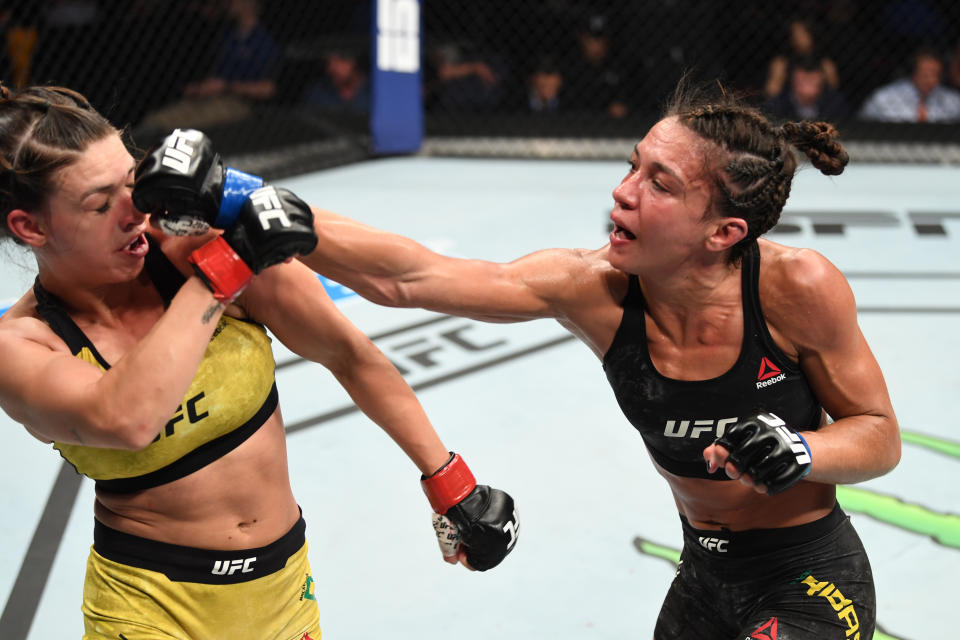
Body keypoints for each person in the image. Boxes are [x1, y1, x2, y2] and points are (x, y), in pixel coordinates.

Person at [274, 86, 898, 638]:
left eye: (660, 183)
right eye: (634, 167)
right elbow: (410, 278)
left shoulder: (797, 288)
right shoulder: (591, 288)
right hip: (702, 577)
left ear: (723, 233)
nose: (622, 191)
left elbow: (878, 434)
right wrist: (251, 202)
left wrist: (802, 450)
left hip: (812, 580)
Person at [0, 84, 518, 638]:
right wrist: (229, 264)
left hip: (284, 588)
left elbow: (348, 352)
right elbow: (128, 418)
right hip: (149, 606)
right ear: (30, 227)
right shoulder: (24, 346)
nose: (134, 213)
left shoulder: (191, 247)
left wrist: (448, 482)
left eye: (133, 182)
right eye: (100, 204)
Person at [138, 0, 281, 133]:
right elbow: (217, 76)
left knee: (170, 125)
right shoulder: (228, 36)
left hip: (239, 103)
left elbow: (268, 89)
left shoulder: (263, 41)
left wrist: (227, 86)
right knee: (154, 119)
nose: (228, 3)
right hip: (213, 98)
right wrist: (203, 87)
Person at [859, 46, 960, 123]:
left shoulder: (953, 101)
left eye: (936, 75)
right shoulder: (884, 98)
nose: (932, 81)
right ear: (914, 74)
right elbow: (863, 124)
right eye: (926, 75)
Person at [764, 18, 840, 101]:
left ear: (811, 35)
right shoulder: (781, 62)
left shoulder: (825, 64)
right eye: (794, 34)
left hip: (818, 107)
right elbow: (771, 92)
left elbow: (834, 93)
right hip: (789, 107)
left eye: (802, 34)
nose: (797, 38)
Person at [764, 55, 849, 122]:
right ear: (792, 79)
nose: (807, 83)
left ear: (822, 79)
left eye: (812, 79)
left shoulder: (834, 103)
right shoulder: (778, 104)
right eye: (803, 79)